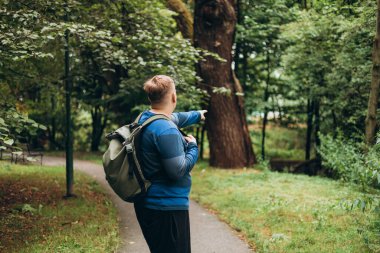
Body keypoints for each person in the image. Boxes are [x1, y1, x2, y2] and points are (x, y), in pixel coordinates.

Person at [133, 75, 206, 253]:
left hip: (149, 204)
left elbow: (177, 117)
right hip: (166, 208)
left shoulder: (146, 118)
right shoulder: (166, 129)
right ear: (174, 97)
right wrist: (193, 147)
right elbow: (177, 170)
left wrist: (197, 115)